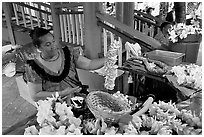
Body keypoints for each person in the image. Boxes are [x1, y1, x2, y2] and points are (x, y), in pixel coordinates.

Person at [24, 27, 107, 102]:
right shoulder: (34, 67)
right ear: (38, 47)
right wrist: (61, 93)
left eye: (53, 41)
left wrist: (108, 59)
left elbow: (89, 64)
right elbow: (35, 95)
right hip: (56, 106)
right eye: (48, 45)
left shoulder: (68, 54)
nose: (53, 46)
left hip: (78, 99)